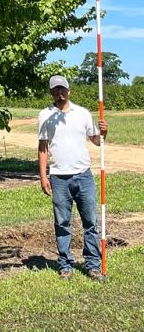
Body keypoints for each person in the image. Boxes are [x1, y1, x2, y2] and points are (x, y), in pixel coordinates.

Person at [38, 74, 109, 280]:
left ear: (69, 91)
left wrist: (104, 132)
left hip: (83, 176)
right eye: (55, 90)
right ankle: (65, 265)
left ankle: (93, 264)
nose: (59, 93)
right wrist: (43, 177)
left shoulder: (83, 113)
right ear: (51, 93)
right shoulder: (45, 115)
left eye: (62, 89)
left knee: (91, 222)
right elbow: (43, 148)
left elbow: (96, 140)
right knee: (62, 223)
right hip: (59, 178)